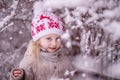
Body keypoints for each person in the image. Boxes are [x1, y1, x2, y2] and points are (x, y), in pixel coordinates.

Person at [10, 12, 75, 80]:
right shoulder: (31, 61)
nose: (54, 43)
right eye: (48, 38)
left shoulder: (64, 61)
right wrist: (19, 77)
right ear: (38, 40)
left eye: (57, 38)